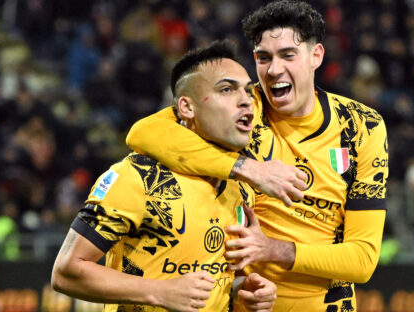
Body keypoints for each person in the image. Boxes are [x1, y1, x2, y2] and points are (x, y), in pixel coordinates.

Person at [126, 1, 389, 311]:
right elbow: (142, 133)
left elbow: (362, 260)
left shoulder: (361, 127)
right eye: (263, 58)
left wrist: (273, 249)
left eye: (288, 55)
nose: (274, 69)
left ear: (316, 56)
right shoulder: (241, 108)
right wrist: (247, 168)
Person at [51, 40, 277, 312]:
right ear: (187, 108)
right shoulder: (137, 176)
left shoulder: (241, 186)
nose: (246, 100)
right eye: (227, 89)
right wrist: (160, 292)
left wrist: (244, 288)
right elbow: (66, 272)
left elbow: (212, 276)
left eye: (248, 90)